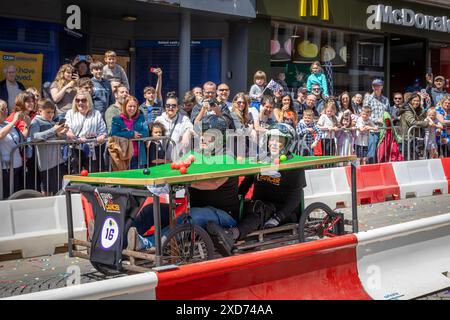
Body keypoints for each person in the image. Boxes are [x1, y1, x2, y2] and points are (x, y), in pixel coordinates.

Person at [127, 115, 239, 251]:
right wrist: (159, 178)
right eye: (201, 134)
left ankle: (145, 243)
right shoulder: (196, 154)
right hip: (192, 210)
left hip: (224, 215)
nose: (202, 139)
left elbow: (214, 183)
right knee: (150, 210)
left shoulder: (227, 157)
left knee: (193, 215)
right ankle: (120, 242)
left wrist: (186, 183)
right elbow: (175, 167)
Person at [205, 123, 306, 257]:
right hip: (258, 205)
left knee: (257, 209)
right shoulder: (262, 159)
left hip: (281, 211)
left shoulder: (295, 164)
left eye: (279, 140)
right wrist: (235, 199)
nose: (274, 143)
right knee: (246, 206)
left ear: (287, 143)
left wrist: (278, 217)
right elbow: (246, 183)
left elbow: (295, 197)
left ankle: (232, 234)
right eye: (272, 139)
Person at [29, 99, 68, 195]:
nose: (51, 114)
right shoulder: (36, 122)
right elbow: (34, 137)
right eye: (48, 112)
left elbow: (57, 137)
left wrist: (62, 133)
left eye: (52, 112)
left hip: (58, 160)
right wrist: (54, 130)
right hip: (46, 163)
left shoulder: (51, 122)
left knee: (58, 188)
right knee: (47, 189)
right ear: (39, 111)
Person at [65, 92, 107, 173]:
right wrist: (75, 138)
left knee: (93, 174)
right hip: (76, 148)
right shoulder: (70, 113)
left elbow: (103, 131)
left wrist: (102, 136)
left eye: (83, 100)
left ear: (89, 101)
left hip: (93, 148)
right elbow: (67, 130)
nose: (80, 103)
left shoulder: (96, 113)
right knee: (76, 175)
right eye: (77, 100)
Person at [111, 95, 149, 169]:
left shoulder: (141, 117)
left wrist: (137, 135)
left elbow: (146, 132)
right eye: (130, 106)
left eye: (134, 106)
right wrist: (131, 134)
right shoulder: (117, 119)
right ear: (125, 106)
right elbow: (114, 133)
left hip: (138, 155)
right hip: (123, 155)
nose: (132, 109)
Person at [155, 92, 194, 160]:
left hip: (179, 160)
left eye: (173, 106)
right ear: (165, 106)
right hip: (163, 160)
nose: (170, 108)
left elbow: (192, 129)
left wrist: (187, 133)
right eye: (168, 105)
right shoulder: (159, 119)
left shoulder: (184, 119)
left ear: (178, 107)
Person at [0, 99, 24, 198]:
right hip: (4, 167)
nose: (6, 111)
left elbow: (21, 139)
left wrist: (26, 124)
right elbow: (1, 134)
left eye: (6, 109)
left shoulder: (7, 124)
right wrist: (14, 120)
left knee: (15, 194)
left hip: (16, 164)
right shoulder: (10, 124)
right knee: (6, 194)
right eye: (2, 109)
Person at [363, 79, 390, 164]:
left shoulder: (385, 100)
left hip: (383, 129)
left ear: (381, 87)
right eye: (374, 86)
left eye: (377, 86)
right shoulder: (368, 98)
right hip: (372, 129)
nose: (375, 87)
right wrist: (376, 119)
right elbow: (364, 114)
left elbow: (388, 113)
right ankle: (370, 169)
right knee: (372, 151)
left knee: (382, 151)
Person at [397, 93, 429, 160]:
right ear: (410, 100)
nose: (416, 102)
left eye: (418, 101)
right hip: (405, 138)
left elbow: (422, 117)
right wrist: (426, 124)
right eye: (414, 100)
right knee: (406, 159)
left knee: (413, 158)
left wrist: (422, 105)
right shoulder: (407, 110)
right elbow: (413, 122)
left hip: (411, 138)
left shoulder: (414, 109)